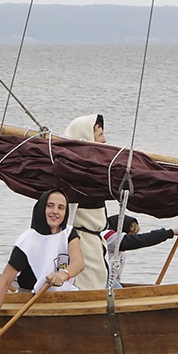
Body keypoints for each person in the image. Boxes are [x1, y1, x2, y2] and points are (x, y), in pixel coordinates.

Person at [0, 189, 85, 346]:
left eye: (61, 208)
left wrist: (63, 275)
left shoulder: (69, 232)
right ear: (41, 208)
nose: (55, 212)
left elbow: (78, 263)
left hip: (64, 296)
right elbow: (4, 282)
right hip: (31, 299)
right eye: (50, 206)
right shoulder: (27, 242)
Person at [63, 113, 109, 290]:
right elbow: (66, 221)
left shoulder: (92, 174)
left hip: (95, 245)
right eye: (100, 134)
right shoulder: (74, 176)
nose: (104, 140)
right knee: (87, 289)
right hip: (82, 247)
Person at [104, 213, 178, 286]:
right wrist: (170, 232)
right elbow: (143, 240)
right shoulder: (107, 236)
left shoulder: (121, 251)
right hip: (99, 283)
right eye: (129, 234)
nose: (131, 236)